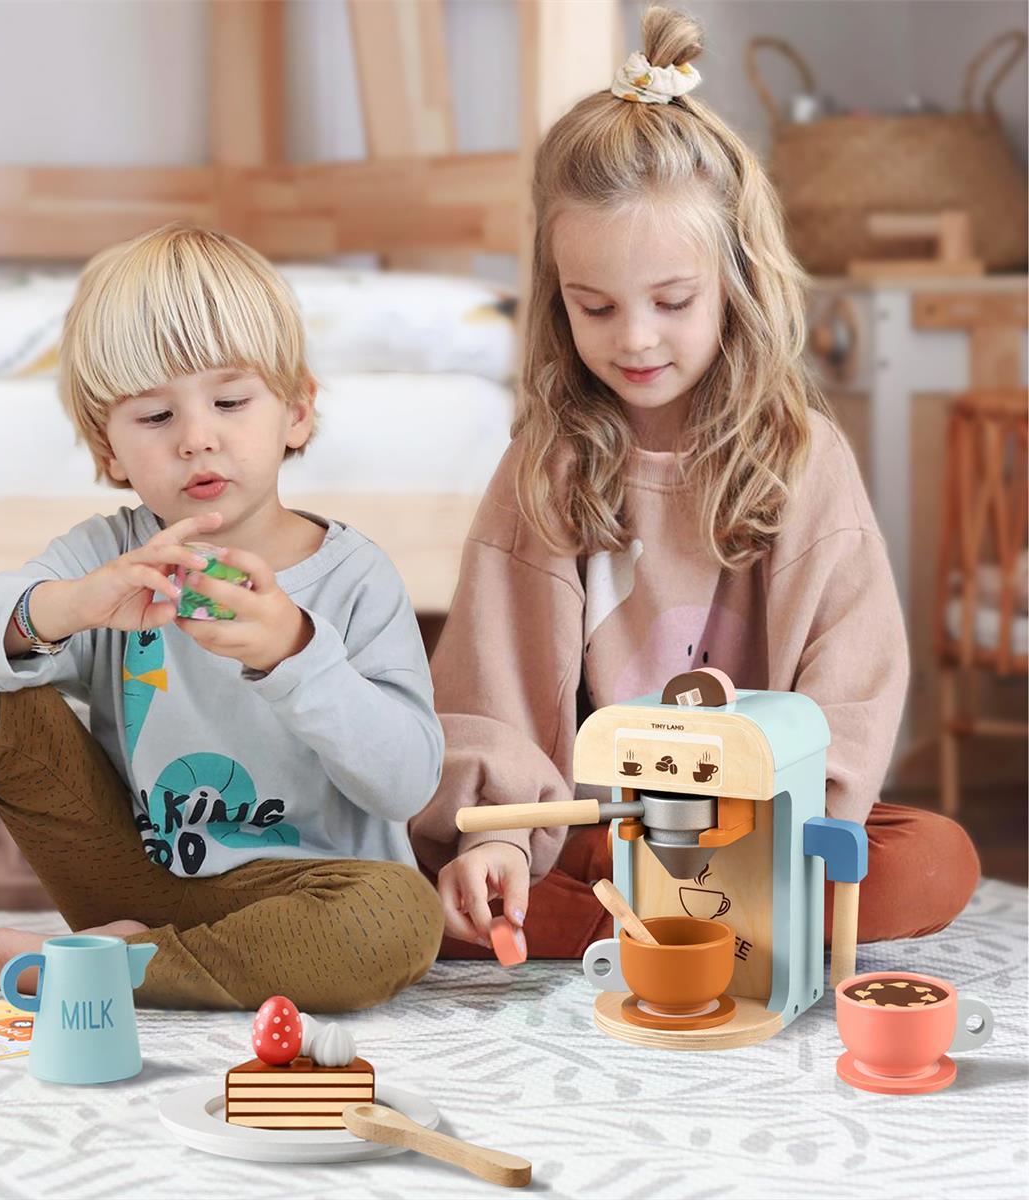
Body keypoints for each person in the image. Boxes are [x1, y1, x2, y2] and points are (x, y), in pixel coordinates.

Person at [411, 4, 979, 959]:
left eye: (673, 303)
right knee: (453, 892)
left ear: (735, 283)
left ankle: (665, 924)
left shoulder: (802, 458)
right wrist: (502, 839)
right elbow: (488, 698)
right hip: (594, 831)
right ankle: (703, 928)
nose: (635, 338)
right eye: (597, 307)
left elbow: (855, 683)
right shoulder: (542, 470)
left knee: (934, 859)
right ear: (560, 299)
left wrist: (802, 827)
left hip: (767, 829)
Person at [0, 224, 445, 1010]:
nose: (197, 438)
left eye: (229, 401)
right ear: (109, 450)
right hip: (134, 874)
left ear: (295, 412)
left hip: (307, 894)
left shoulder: (356, 576)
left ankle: (110, 965)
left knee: (397, 919)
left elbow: (406, 783)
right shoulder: (111, 554)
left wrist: (296, 653)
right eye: (155, 417)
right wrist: (72, 605)